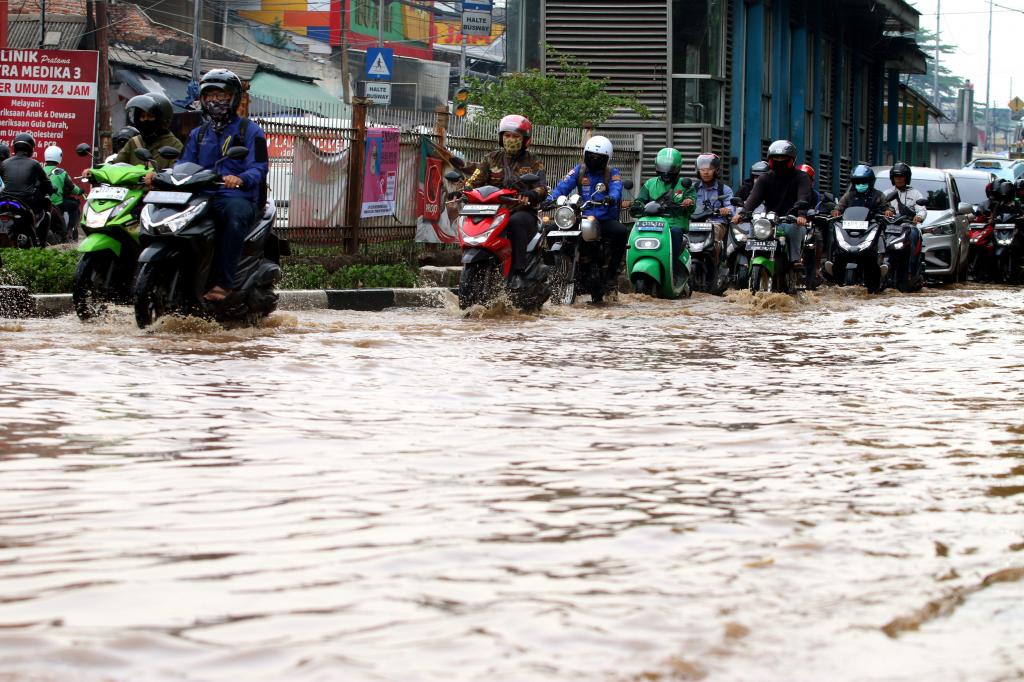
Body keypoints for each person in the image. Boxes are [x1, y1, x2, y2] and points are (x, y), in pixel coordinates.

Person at [180, 69, 269, 302]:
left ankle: (223, 282)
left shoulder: (251, 131)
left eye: (222, 96)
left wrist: (240, 178)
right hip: (202, 196)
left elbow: (259, 167)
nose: (215, 101)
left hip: (236, 198)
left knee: (233, 218)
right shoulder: (198, 134)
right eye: (210, 96)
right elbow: (183, 164)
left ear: (233, 98)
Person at [464, 113, 548, 289]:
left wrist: (532, 195)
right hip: (492, 211)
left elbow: (542, 188)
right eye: (507, 135)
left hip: (521, 211)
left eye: (516, 136)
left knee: (516, 223)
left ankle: (518, 272)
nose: (511, 139)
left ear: (525, 140)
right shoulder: (490, 158)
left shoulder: (534, 162)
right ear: (501, 138)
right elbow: (474, 181)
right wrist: (463, 190)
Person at [549, 134, 628, 289]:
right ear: (585, 154)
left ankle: (611, 275)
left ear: (606, 158)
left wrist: (611, 198)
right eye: (591, 156)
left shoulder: (612, 173)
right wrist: (550, 198)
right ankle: (561, 265)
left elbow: (616, 188)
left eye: (598, 157)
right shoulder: (579, 170)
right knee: (552, 229)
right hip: (580, 216)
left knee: (621, 232)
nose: (594, 159)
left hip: (603, 218)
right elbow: (563, 185)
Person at [735, 139, 814, 264]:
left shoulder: (801, 177)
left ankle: (795, 260)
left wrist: (801, 215)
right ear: (770, 159)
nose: (779, 160)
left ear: (792, 159)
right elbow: (754, 198)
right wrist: (742, 214)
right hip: (769, 221)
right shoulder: (765, 178)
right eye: (776, 157)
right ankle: (748, 260)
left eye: (783, 157)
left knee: (794, 229)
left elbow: (803, 197)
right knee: (754, 228)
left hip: (791, 220)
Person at [630, 147, 697, 264]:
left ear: (678, 167)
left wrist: (688, 202)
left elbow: (692, 205)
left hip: (674, 225)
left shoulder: (685, 185)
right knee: (633, 233)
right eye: (663, 167)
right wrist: (635, 205)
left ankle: (674, 267)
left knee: (676, 233)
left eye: (670, 168)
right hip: (651, 224)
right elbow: (640, 200)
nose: (666, 172)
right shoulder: (650, 183)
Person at [0, 132, 55, 244]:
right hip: (26, 202)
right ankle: (41, 243)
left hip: (4, 200)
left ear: (15, 147)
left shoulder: (4, 163)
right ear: (30, 148)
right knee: (47, 211)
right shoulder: (34, 164)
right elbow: (46, 183)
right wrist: (50, 190)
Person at [112, 93, 182, 172]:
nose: (145, 120)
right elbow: (116, 165)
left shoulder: (174, 145)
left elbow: (176, 174)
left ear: (162, 119)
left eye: (150, 116)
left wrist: (157, 176)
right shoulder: (134, 142)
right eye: (142, 116)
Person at [694, 152, 733, 264]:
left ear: (716, 170)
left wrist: (727, 210)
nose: (706, 172)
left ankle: (713, 266)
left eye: (710, 169)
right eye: (702, 169)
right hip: (695, 223)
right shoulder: (693, 189)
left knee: (712, 239)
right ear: (698, 171)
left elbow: (731, 206)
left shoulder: (724, 189)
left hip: (717, 223)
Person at [43, 146, 84, 241]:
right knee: (74, 205)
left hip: (43, 203)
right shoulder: (61, 172)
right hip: (57, 204)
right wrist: (80, 191)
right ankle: (70, 230)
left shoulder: (41, 170)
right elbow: (72, 188)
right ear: (59, 156)